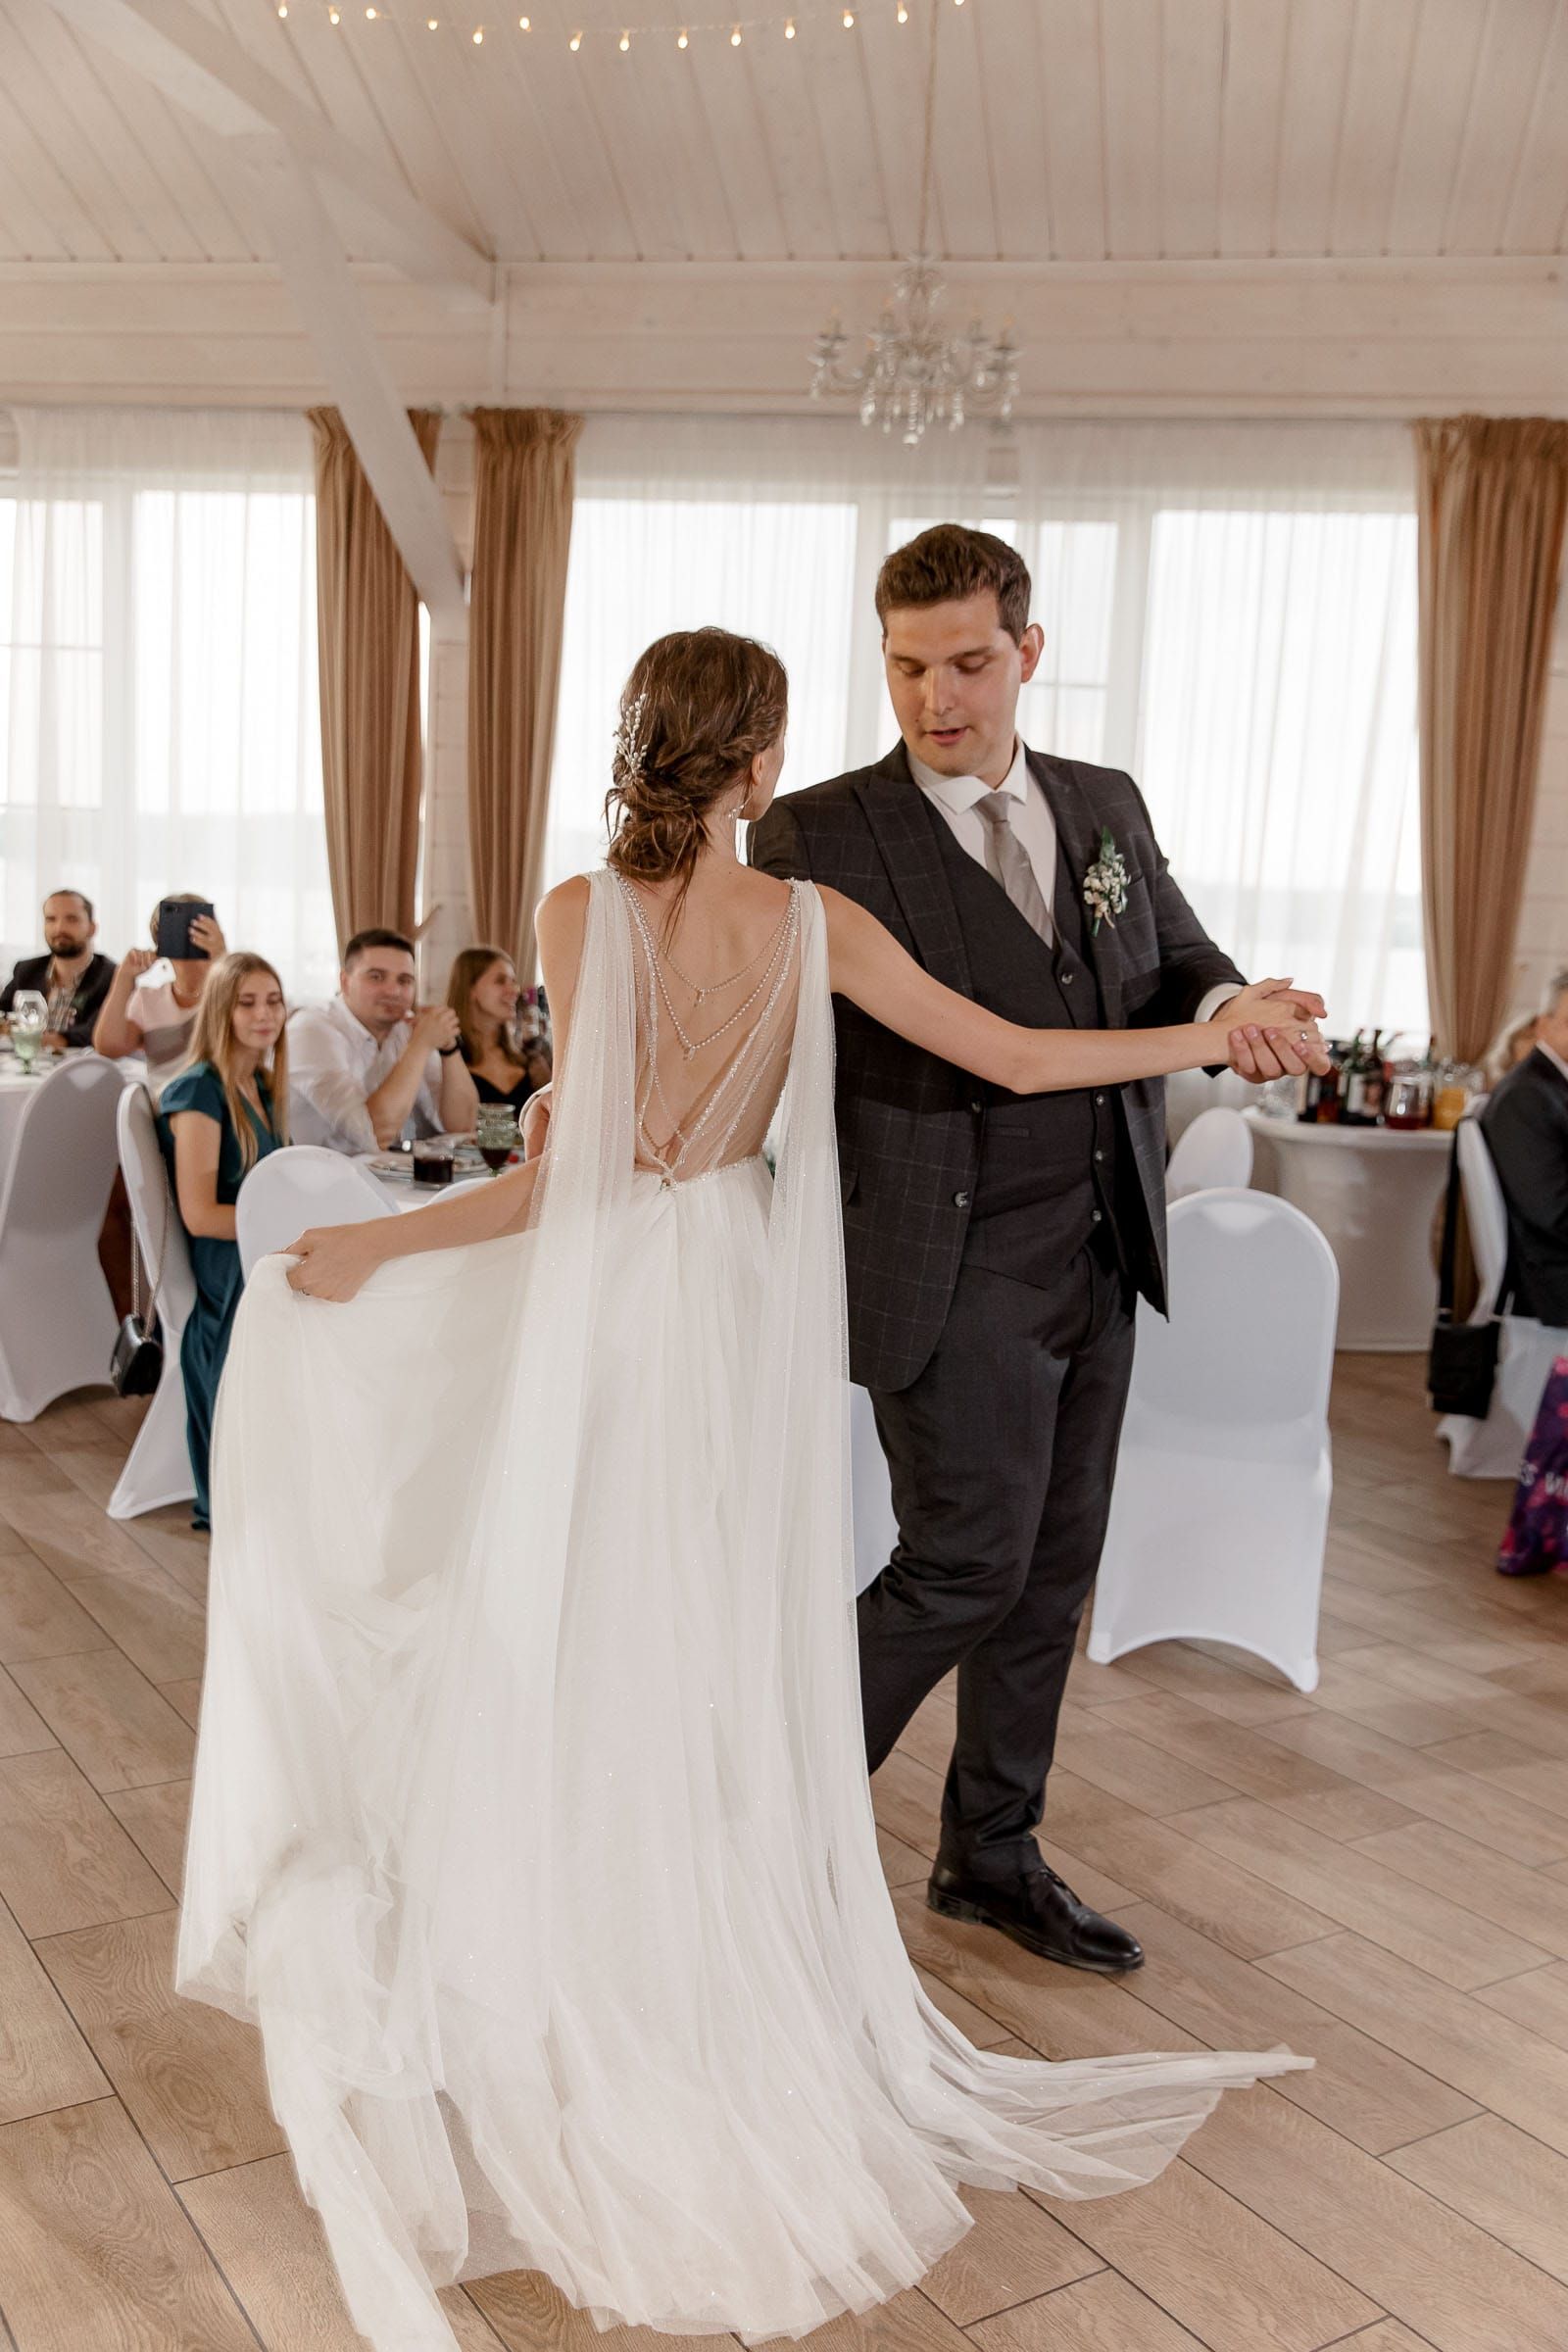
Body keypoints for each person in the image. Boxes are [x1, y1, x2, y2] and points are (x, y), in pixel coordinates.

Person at [174, 627, 1318, 2352]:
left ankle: (568, 1991)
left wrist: (369, 1249)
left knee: (555, 1641)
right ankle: (684, 1982)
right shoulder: (810, 925)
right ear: (766, 766)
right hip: (721, 1336)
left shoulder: (572, 917)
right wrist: (1206, 1041)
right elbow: (1016, 1056)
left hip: (603, 1326)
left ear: (641, 744)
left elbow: (571, 1181)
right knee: (694, 1659)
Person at [751, 524, 1313, 1978]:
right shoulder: (817, 831)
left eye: (970, 662)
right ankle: (755, 1829)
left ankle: (990, 1856)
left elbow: (1178, 960)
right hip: (943, 1265)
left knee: (1051, 1575)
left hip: (1100, 1251)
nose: (939, 696)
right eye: (907, 666)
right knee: (962, 1565)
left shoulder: (1103, 805)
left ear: (1030, 653)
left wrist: (1241, 996)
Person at [157, 954, 288, 1532]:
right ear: (221, 1010)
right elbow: (199, 1213)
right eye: (248, 1002)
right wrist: (289, 1229)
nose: (265, 1015)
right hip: (227, 1267)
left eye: (274, 1000)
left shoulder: (258, 1083)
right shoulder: (200, 1091)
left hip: (257, 1252)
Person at [288, 926, 478, 1153]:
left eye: (405, 980)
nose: (393, 991)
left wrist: (448, 1047)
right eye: (376, 977)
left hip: (378, 1177)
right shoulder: (311, 1029)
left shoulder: (405, 1027)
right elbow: (373, 1135)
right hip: (311, 1180)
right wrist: (421, 1044)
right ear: (345, 981)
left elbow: (464, 1125)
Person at [1480, 967, 1568, 1330]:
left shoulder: (1551, 1088)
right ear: (1542, 1026)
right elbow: (1553, 1214)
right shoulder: (1527, 1096)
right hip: (1549, 1279)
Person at [94, 894, 227, 1099]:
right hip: (166, 1110)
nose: (187, 934)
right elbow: (109, 1047)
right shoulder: (148, 999)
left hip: (222, 1107)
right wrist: (123, 978)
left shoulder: (233, 995)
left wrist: (222, 959)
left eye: (198, 926)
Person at [0, 889, 116, 1049]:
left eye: (72, 919)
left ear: (92, 928)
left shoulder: (111, 976)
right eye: (51, 919)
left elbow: (98, 1031)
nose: (60, 928)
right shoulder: (27, 969)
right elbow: (3, 1014)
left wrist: (56, 1039)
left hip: (82, 1069)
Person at [446, 945, 551, 1110]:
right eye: (500, 981)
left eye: (513, 981)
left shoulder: (532, 1061)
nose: (514, 990)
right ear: (470, 989)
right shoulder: (447, 1057)